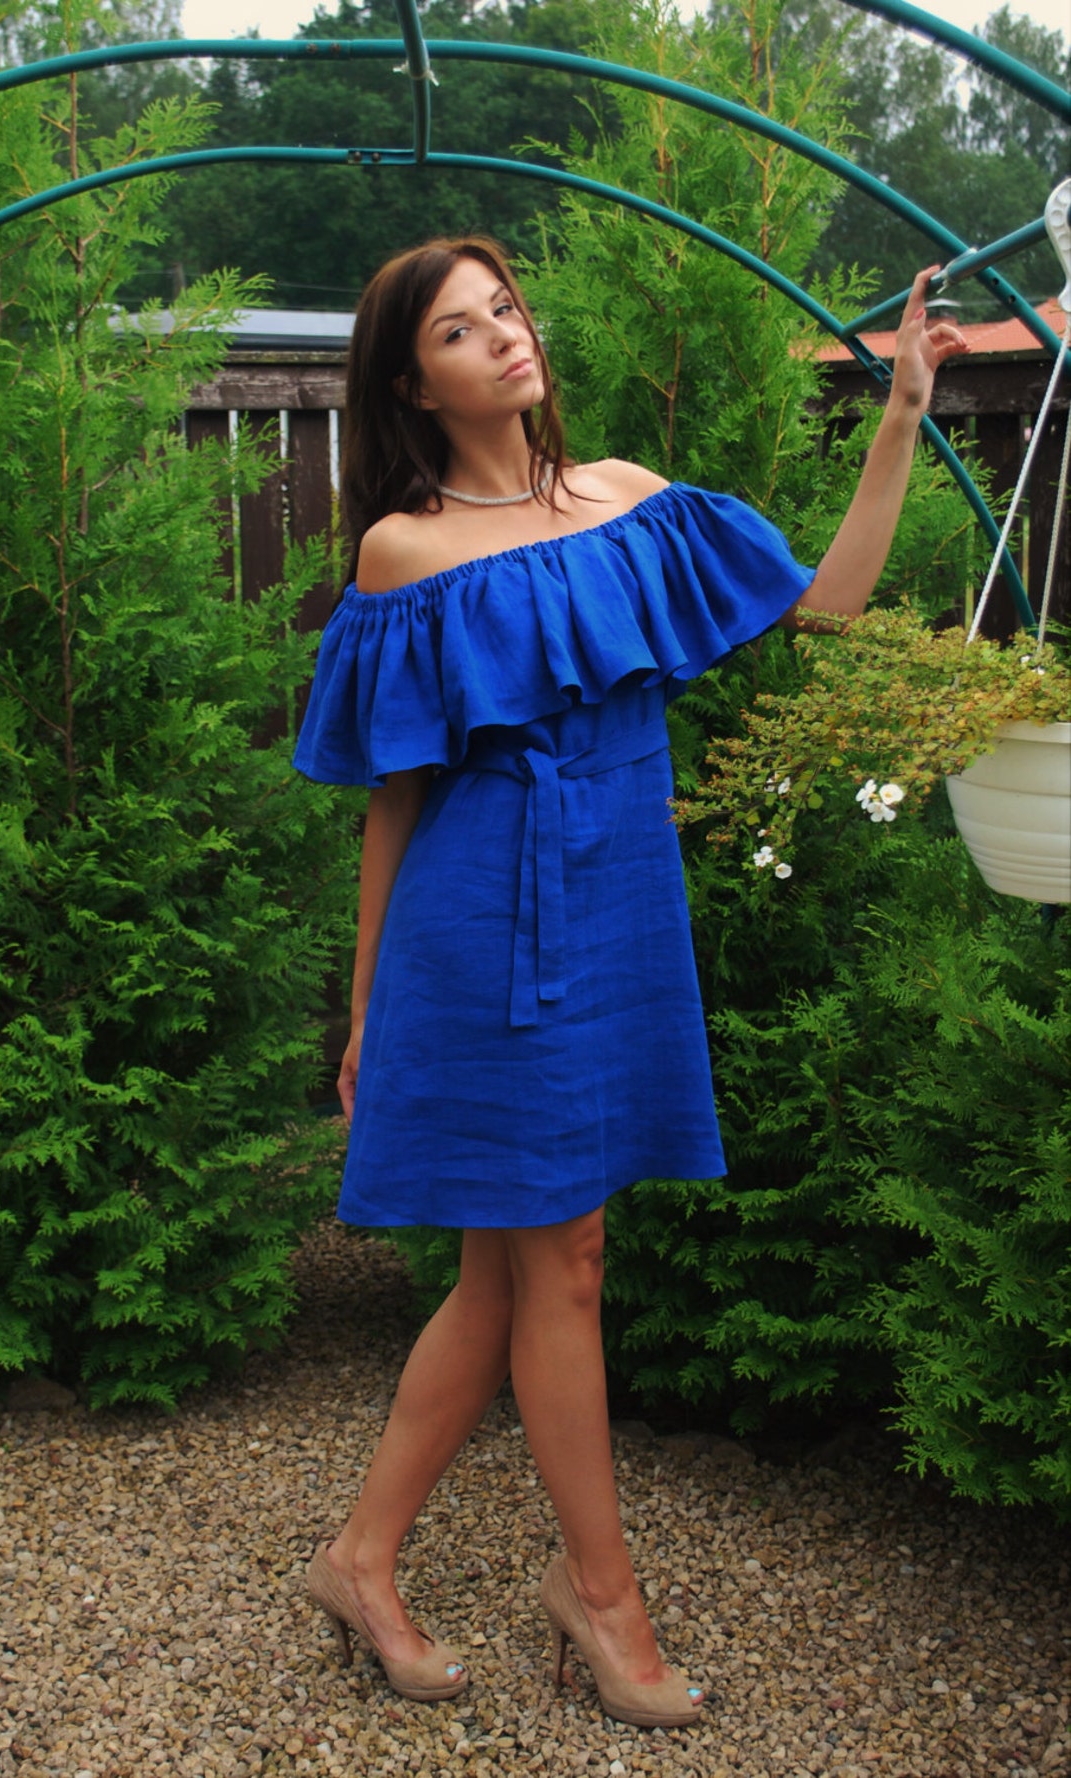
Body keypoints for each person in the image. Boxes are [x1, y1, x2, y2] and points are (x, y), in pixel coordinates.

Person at [294, 237, 967, 1726]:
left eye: (507, 309)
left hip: (614, 914)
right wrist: (367, 1008)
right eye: (461, 332)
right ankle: (597, 1593)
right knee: (568, 1258)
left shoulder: (627, 498)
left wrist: (905, 411)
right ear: (415, 379)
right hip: (480, 931)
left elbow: (830, 603)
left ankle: (361, 1556)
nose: (503, 340)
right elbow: (391, 802)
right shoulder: (404, 549)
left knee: (504, 1269)